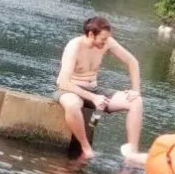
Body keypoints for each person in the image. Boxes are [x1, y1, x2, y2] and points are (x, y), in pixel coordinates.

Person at [54, 16, 143, 161]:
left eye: (107, 39)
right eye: (103, 39)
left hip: (94, 90)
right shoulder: (74, 47)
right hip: (70, 89)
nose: (105, 42)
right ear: (91, 34)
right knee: (72, 104)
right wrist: (94, 98)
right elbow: (64, 82)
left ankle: (132, 153)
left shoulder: (108, 42)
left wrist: (135, 90)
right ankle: (86, 147)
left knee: (136, 101)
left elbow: (132, 62)